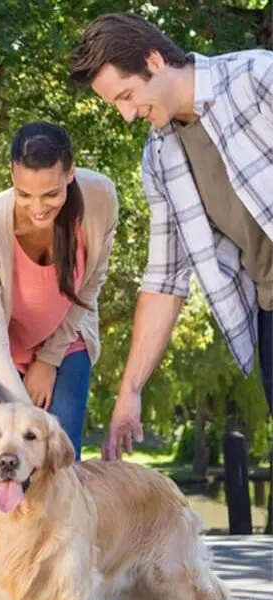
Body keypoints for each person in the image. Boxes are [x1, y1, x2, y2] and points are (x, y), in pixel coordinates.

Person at [70, 11, 273, 463]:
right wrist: (129, 392)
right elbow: (164, 280)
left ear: (155, 61)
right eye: (114, 105)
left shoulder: (257, 78)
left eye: (127, 96)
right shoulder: (160, 155)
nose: (125, 115)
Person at [0, 122, 119, 455]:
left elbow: (89, 288)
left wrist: (48, 359)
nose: (38, 207)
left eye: (51, 194)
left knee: (60, 456)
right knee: (6, 453)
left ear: (70, 172)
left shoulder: (99, 197)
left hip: (66, 335)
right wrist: (25, 414)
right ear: (12, 177)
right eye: (24, 194)